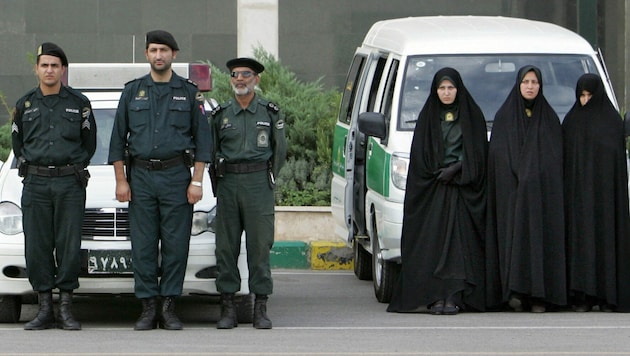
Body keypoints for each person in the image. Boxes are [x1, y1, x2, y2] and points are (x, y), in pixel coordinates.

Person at [108, 30, 212, 330]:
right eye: (153, 50)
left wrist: (197, 181)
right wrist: (120, 180)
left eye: (164, 50)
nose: (158, 55)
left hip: (176, 177)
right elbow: (118, 141)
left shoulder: (189, 93)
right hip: (139, 177)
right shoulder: (132, 92)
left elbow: (203, 141)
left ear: (174, 54)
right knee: (142, 245)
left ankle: (168, 305)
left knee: (176, 244)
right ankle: (147, 306)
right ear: (146, 54)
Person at [387, 67, 488, 315]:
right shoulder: (428, 117)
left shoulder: (472, 115)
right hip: (433, 191)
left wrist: (458, 169)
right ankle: (434, 297)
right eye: (442, 88)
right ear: (435, 90)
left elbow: (479, 154)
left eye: (450, 88)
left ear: (458, 89)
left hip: (463, 191)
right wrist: (438, 173)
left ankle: (454, 296)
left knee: (458, 246)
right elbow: (421, 158)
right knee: (432, 243)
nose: (446, 93)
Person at [12, 42, 97, 330]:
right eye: (44, 65)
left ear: (63, 70)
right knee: (37, 246)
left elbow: (89, 144)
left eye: (55, 65)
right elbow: (17, 143)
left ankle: (66, 308)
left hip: (68, 184)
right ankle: (44, 308)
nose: (49, 70)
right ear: (36, 69)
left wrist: (69, 167)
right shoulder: (24, 104)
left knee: (69, 245)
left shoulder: (79, 103)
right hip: (35, 183)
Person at [209, 57, 287, 329]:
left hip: (258, 184)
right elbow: (212, 151)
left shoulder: (269, 112)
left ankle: (260, 307)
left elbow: (280, 151)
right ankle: (228, 308)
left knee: (259, 246)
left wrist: (268, 179)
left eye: (246, 74)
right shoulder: (221, 114)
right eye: (234, 74)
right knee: (226, 247)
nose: (239, 79)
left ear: (257, 79)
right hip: (228, 183)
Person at [485, 65, 566, 313]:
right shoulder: (505, 117)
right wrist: (517, 178)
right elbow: (498, 156)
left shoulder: (549, 119)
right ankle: (514, 292)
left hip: (542, 197)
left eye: (534, 82)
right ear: (518, 85)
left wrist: (536, 177)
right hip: (512, 196)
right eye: (526, 82)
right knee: (513, 241)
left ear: (541, 86)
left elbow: (555, 158)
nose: (530, 86)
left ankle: (539, 294)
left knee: (540, 243)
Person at [562, 73, 630, 312]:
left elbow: (615, 166)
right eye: (581, 95)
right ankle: (581, 295)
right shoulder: (570, 123)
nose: (585, 100)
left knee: (604, 242)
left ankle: (606, 295)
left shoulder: (611, 123)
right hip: (578, 200)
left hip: (605, 201)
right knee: (580, 243)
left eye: (590, 95)